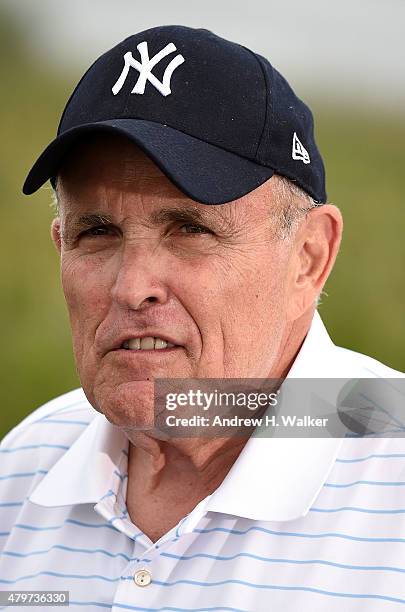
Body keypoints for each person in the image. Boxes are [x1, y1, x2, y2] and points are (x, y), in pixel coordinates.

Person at [1, 25, 404, 611]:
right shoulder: (20, 474)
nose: (132, 287)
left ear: (308, 258)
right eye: (98, 232)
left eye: (191, 229)